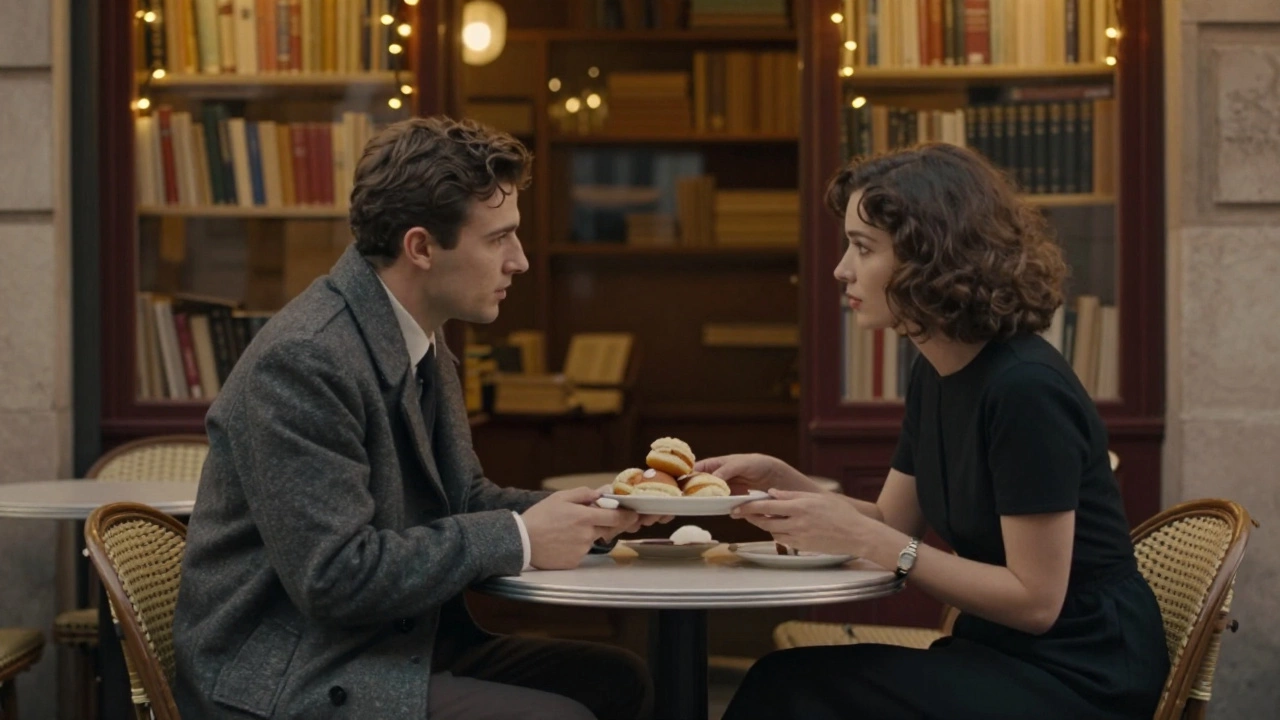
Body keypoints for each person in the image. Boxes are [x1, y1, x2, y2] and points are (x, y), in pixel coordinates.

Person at [172, 116, 657, 720]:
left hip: (393, 646)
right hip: (290, 673)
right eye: (498, 239)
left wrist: (596, 514)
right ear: (422, 247)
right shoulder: (304, 358)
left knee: (619, 680)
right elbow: (333, 575)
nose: (521, 262)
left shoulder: (423, 336)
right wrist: (521, 537)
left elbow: (462, 497)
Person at [703, 143, 1168, 720]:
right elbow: (891, 523)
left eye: (863, 248)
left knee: (790, 688)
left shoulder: (1025, 390)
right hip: (1000, 652)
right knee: (786, 683)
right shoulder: (936, 370)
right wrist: (789, 486)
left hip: (1082, 674)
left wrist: (867, 542)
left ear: (932, 259)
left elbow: (1036, 601)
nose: (840, 269)